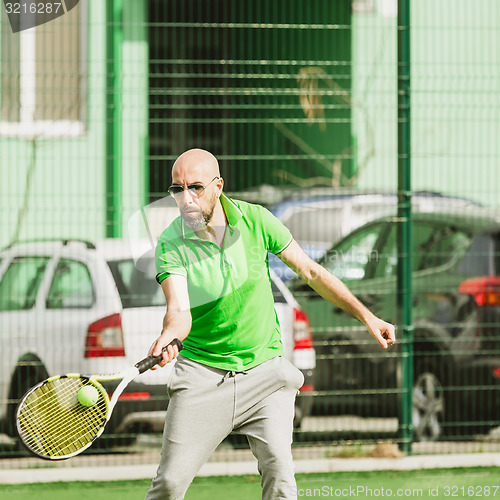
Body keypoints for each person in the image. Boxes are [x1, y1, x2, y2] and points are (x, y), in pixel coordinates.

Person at [145, 148, 395, 500]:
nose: (185, 199)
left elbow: (310, 271)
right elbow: (179, 309)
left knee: (280, 474)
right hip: (202, 375)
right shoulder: (172, 242)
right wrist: (169, 334)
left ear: (218, 186)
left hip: (265, 372)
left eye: (195, 188)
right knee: (169, 485)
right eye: (177, 189)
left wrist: (366, 315)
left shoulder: (256, 220)